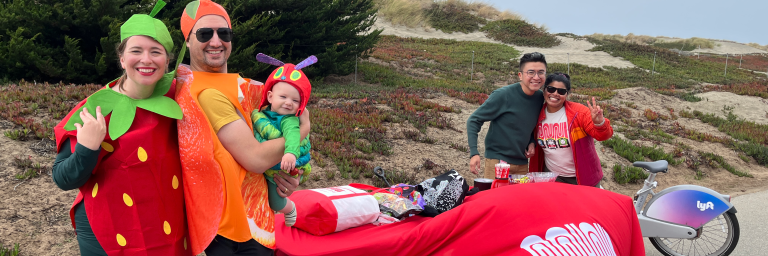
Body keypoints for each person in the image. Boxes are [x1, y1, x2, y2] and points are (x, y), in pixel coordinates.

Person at [52, 1, 189, 255]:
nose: (146, 60)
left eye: (156, 52)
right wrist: (86, 149)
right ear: (122, 58)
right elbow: (62, 178)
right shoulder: (96, 109)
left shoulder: (178, 96)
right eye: (136, 50)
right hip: (106, 231)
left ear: (167, 60)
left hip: (166, 227)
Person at [175, 0, 310, 255]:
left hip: (257, 219)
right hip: (219, 229)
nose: (216, 41)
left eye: (223, 33)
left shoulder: (248, 86)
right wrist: (302, 129)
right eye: (204, 33)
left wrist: (290, 175)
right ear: (188, 41)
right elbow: (256, 159)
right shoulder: (200, 90)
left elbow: (291, 111)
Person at [252, 53, 315, 227]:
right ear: (270, 97)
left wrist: (290, 153)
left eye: (295, 100)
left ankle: (290, 209)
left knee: (276, 202)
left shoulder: (289, 120)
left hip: (281, 167)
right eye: (283, 97)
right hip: (264, 163)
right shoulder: (264, 114)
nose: (288, 103)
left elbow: (294, 135)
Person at [467, 52, 547, 179]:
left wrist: (532, 141)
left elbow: (528, 123)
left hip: (522, 164)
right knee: (494, 198)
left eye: (541, 72)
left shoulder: (540, 98)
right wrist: (474, 153)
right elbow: (474, 120)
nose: (536, 77)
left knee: (518, 199)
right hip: (498, 162)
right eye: (531, 72)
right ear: (520, 75)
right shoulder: (503, 95)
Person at [529, 73, 614, 187]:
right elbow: (526, 131)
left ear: (567, 94)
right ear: (544, 90)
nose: (555, 94)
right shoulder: (536, 114)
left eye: (561, 91)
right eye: (551, 89)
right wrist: (531, 142)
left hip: (583, 178)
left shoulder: (579, 113)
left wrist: (599, 123)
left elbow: (602, 136)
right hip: (553, 176)